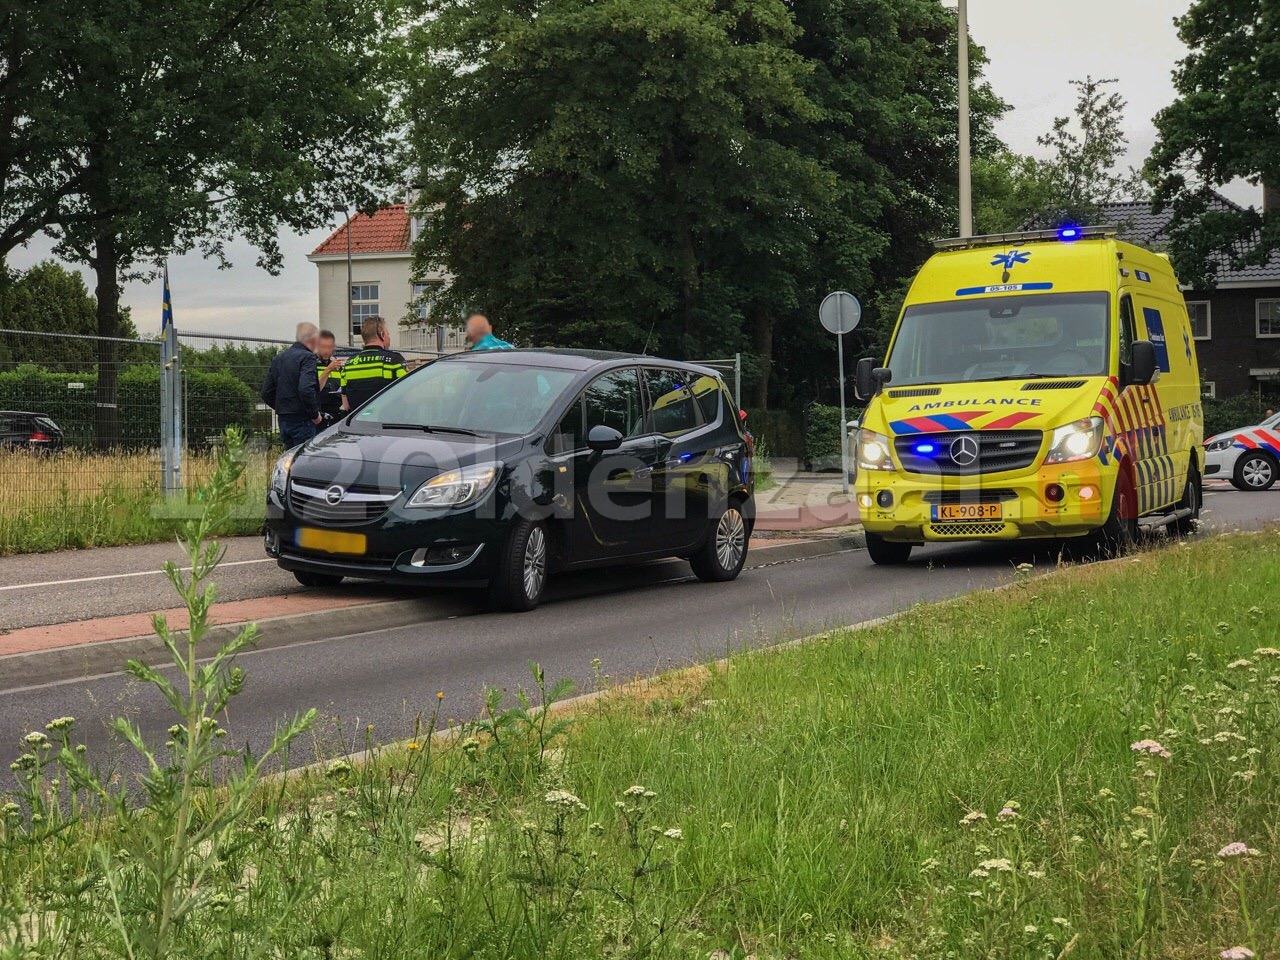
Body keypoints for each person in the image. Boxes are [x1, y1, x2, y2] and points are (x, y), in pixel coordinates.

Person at [262, 323, 322, 447]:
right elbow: (305, 389)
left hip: (283, 420)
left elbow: (266, 393)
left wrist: (284, 407)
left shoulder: (279, 358)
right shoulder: (308, 358)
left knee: (289, 460)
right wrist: (315, 414)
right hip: (303, 420)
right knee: (304, 460)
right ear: (314, 339)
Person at [339, 315, 408, 410]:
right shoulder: (394, 360)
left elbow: (346, 405)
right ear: (382, 334)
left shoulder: (348, 364)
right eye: (388, 334)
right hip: (387, 421)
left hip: (358, 423)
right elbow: (408, 395)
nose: (389, 338)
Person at [316, 330, 345, 424]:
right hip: (319, 414)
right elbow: (313, 389)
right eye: (323, 347)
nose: (326, 351)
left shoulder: (337, 367)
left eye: (329, 347)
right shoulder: (311, 365)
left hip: (336, 413)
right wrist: (328, 370)